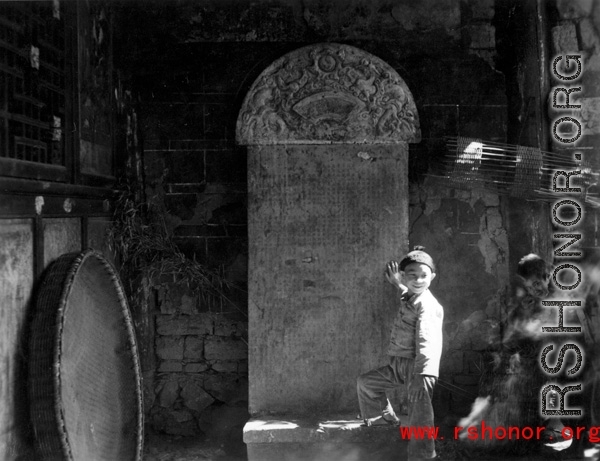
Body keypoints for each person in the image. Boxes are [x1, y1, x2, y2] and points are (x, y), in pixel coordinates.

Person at [357, 246, 443, 460]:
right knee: (366, 383)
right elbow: (408, 293)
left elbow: (428, 341)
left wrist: (423, 376)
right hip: (399, 365)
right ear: (404, 276)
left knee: (420, 418)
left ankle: (423, 456)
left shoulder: (428, 305)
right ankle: (386, 419)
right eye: (412, 276)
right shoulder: (413, 296)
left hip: (419, 368)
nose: (419, 280)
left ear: (432, 276)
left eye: (424, 276)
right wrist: (397, 283)